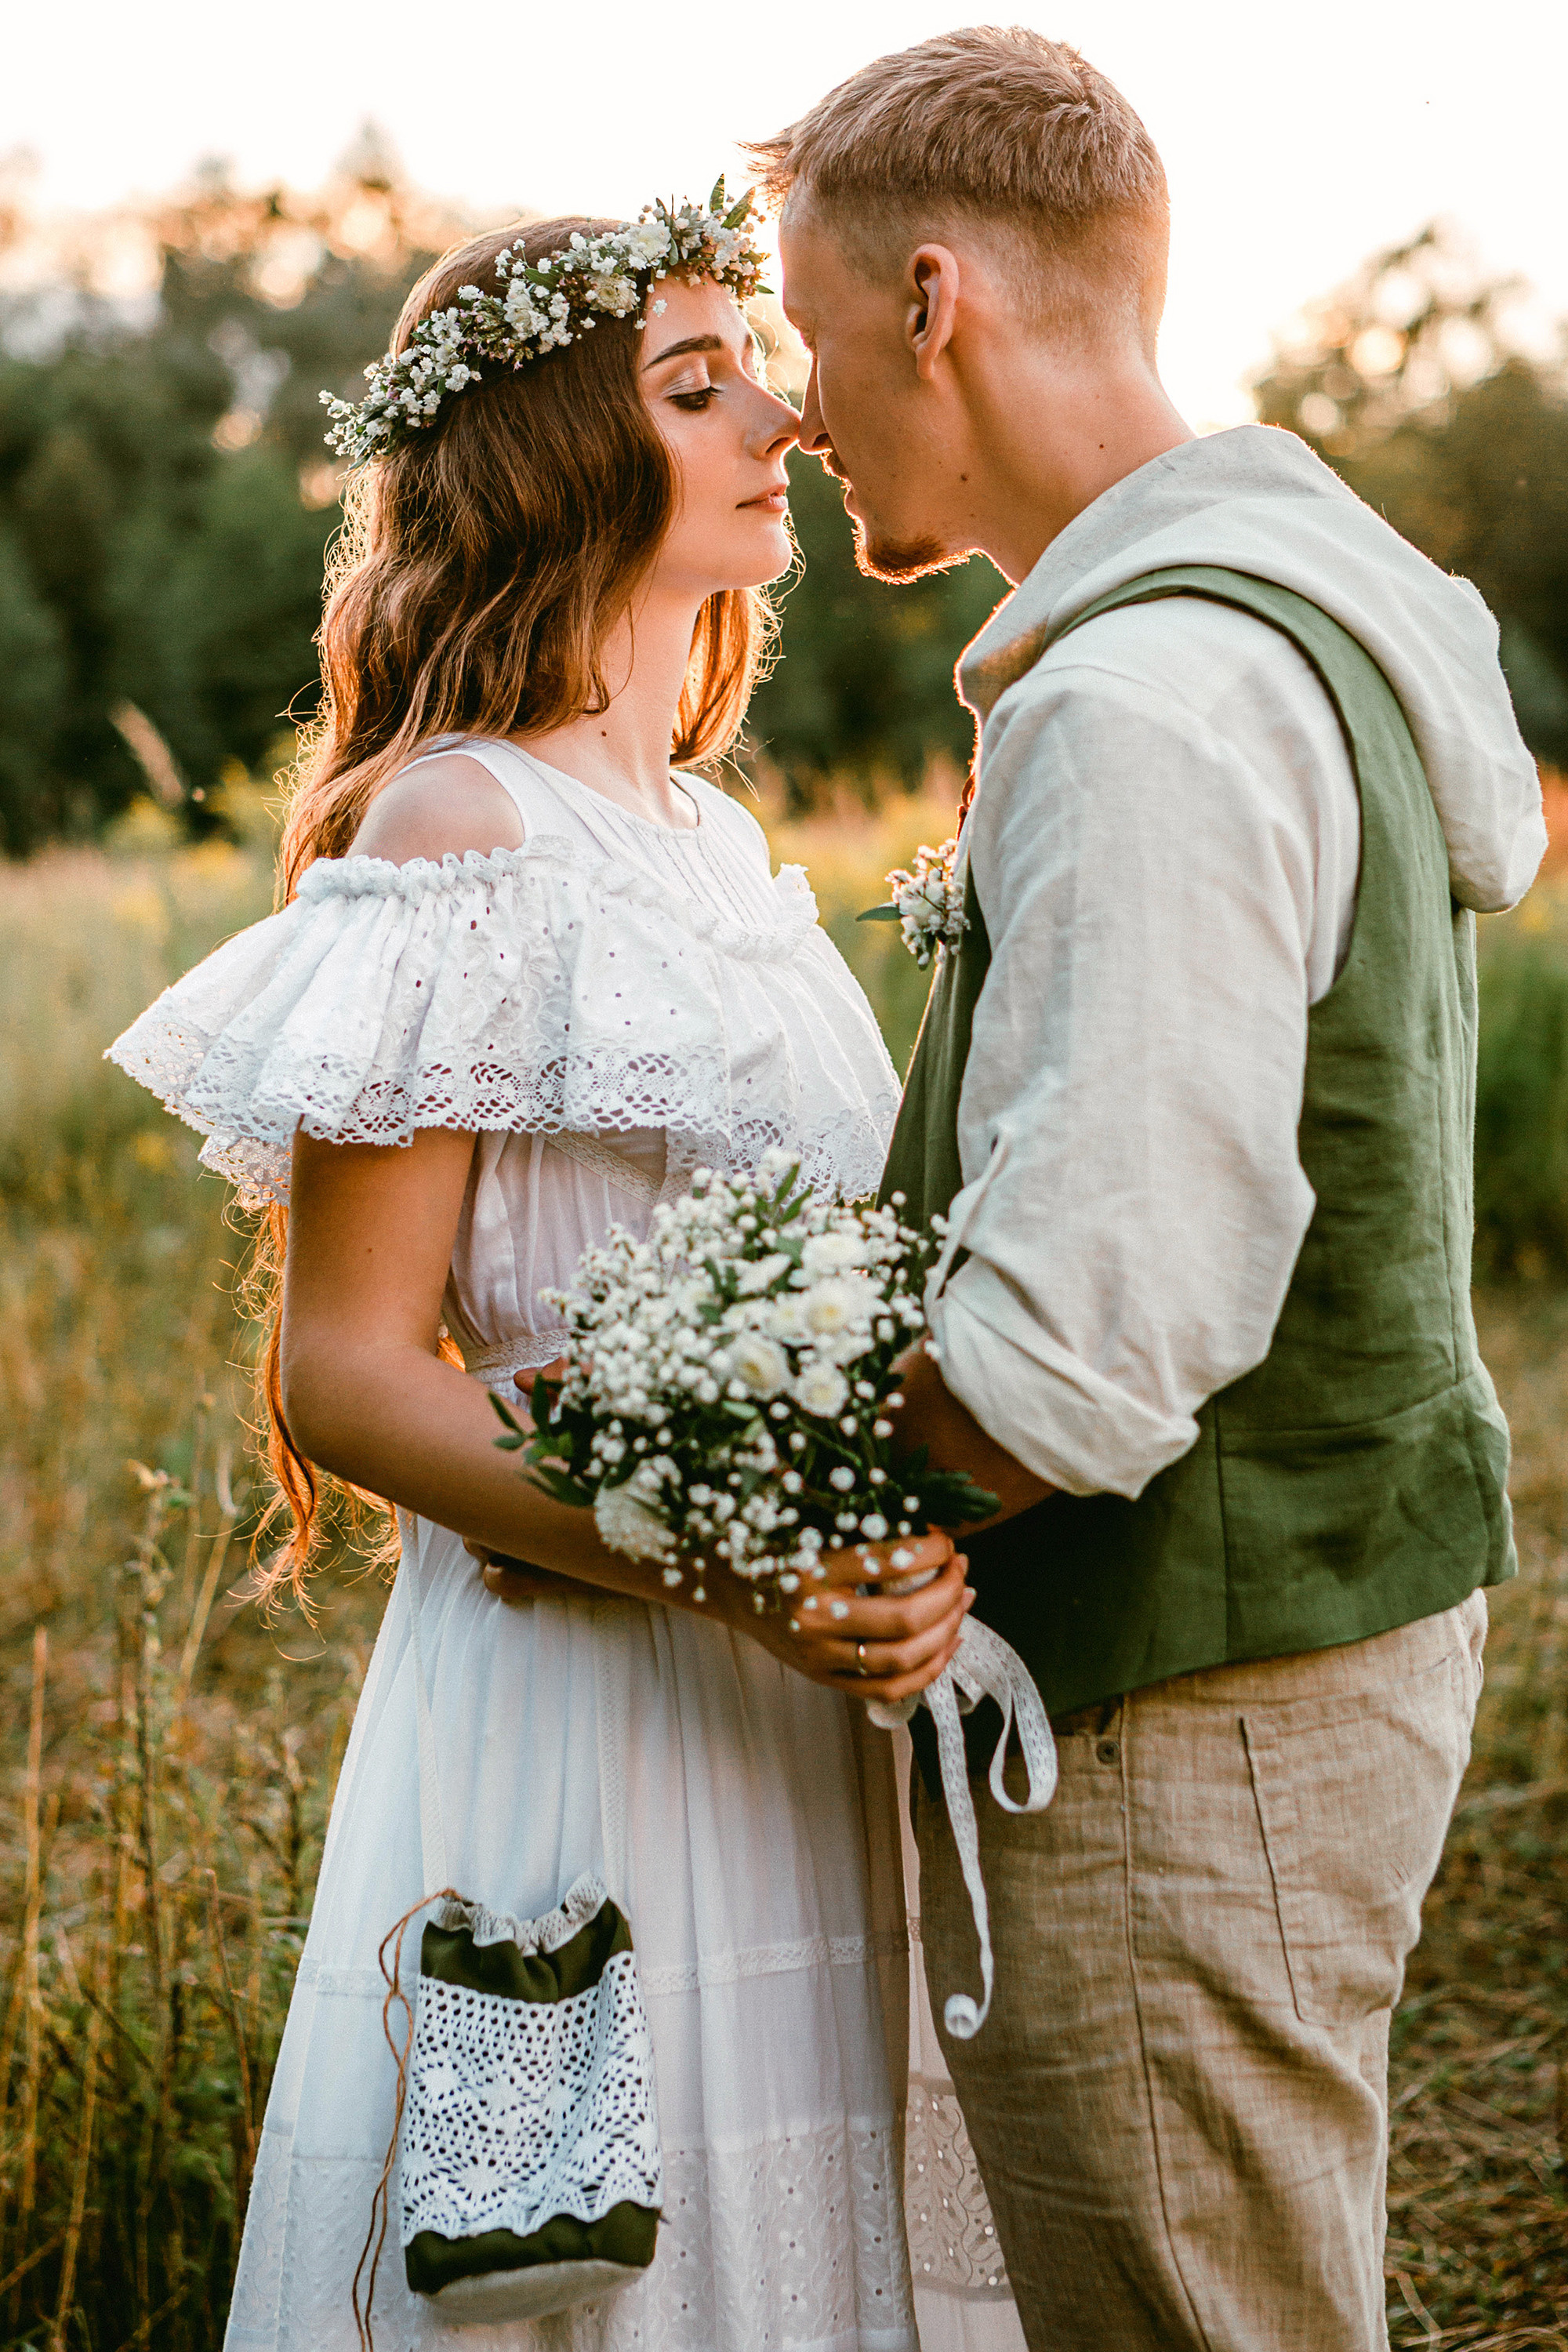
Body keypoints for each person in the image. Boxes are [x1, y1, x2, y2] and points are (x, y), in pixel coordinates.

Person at [738, 27, 1546, 2352]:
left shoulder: (1143, 706)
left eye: (807, 340)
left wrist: (768, 1486)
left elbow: (1092, 1339)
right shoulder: (1279, 623)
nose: (799, 416)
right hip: (1299, 1642)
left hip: (1195, 1705)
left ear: (932, 300)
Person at [109, 201, 977, 2352]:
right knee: (577, 2269)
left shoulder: (704, 846)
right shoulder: (455, 833)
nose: (780, 412)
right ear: (544, 462)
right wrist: (730, 1568)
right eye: (698, 391)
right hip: (586, 1702)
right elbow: (345, 1370)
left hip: (809, 1708)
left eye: (759, 366)